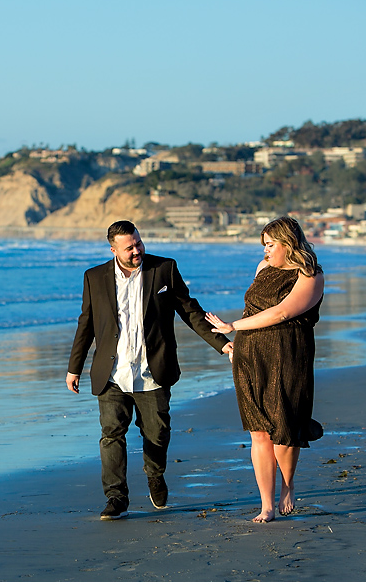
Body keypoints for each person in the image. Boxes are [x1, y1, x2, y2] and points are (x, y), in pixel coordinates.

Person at [66, 220, 232, 520]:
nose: (136, 250)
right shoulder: (94, 277)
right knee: (111, 434)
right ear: (113, 249)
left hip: (151, 371)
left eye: (138, 243)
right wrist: (74, 367)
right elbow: (86, 323)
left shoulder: (164, 269)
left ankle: (155, 474)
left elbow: (190, 311)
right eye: (129, 247)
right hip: (112, 373)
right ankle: (116, 497)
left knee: (156, 434)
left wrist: (222, 344)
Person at [206, 216, 324, 524]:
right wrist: (236, 347)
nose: (265, 252)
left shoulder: (310, 275)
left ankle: (288, 486)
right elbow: (252, 308)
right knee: (259, 430)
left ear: (288, 244)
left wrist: (232, 326)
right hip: (250, 354)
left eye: (270, 245)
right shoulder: (262, 269)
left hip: (289, 354)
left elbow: (283, 312)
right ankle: (266, 505)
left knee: (284, 427)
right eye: (264, 246)